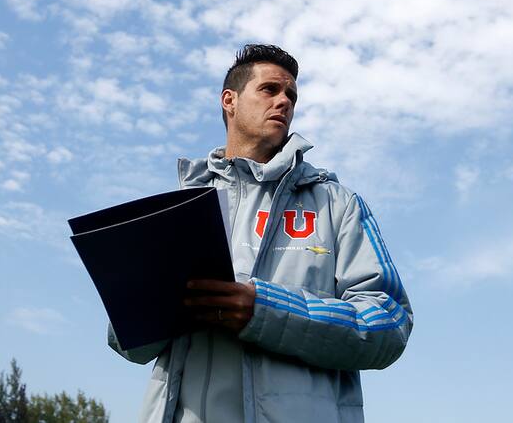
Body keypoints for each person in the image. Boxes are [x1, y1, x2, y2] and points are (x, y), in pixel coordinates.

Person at [108, 44, 412, 423]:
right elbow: (127, 345)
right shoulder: (177, 209)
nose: (284, 101)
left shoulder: (338, 204)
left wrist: (265, 311)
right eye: (270, 89)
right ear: (229, 101)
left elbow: (389, 323)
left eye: (291, 95)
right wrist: (134, 311)